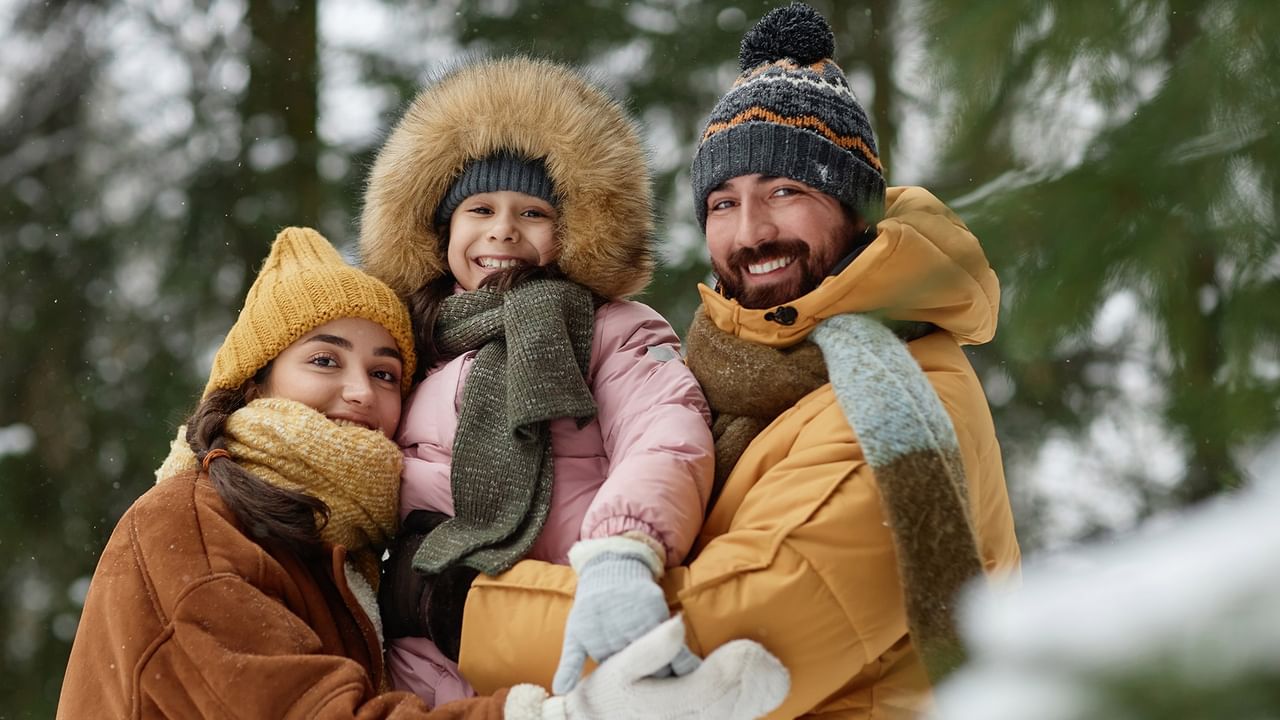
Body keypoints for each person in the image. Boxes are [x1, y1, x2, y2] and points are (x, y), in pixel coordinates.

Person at [379, 3, 1023, 718]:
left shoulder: (895, 394)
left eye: (786, 192)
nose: (751, 232)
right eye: (723, 203)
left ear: (857, 210)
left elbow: (717, 635)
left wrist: (452, 605)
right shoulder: (751, 377)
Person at [56, 227, 786, 719]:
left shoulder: (341, 543)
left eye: (386, 372)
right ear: (254, 384)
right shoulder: (193, 524)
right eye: (323, 360)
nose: (359, 392)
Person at [358, 56, 715, 706]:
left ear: (574, 230)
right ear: (442, 232)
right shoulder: (416, 346)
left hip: (561, 620)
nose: (502, 229)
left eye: (532, 212)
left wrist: (621, 550)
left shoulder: (612, 329)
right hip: (423, 660)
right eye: (479, 208)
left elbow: (666, 434)